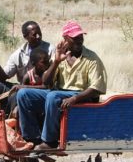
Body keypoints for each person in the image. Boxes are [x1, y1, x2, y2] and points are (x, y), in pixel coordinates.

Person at [16, 21, 107, 150]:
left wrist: (74, 98)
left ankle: (50, 141)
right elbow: (46, 82)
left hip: (81, 95)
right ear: (65, 39)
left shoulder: (91, 58)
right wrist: (57, 62)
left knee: (53, 96)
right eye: (75, 38)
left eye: (81, 37)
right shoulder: (60, 56)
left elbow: (96, 88)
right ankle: (32, 138)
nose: (79, 40)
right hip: (59, 93)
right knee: (23, 94)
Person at [0, 21, 55, 115]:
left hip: (40, 89)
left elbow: (48, 83)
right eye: (34, 35)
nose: (38, 36)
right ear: (25, 37)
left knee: (19, 93)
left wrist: (22, 87)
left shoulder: (50, 49)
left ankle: (9, 120)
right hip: (21, 86)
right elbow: (3, 77)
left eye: (39, 33)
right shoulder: (18, 54)